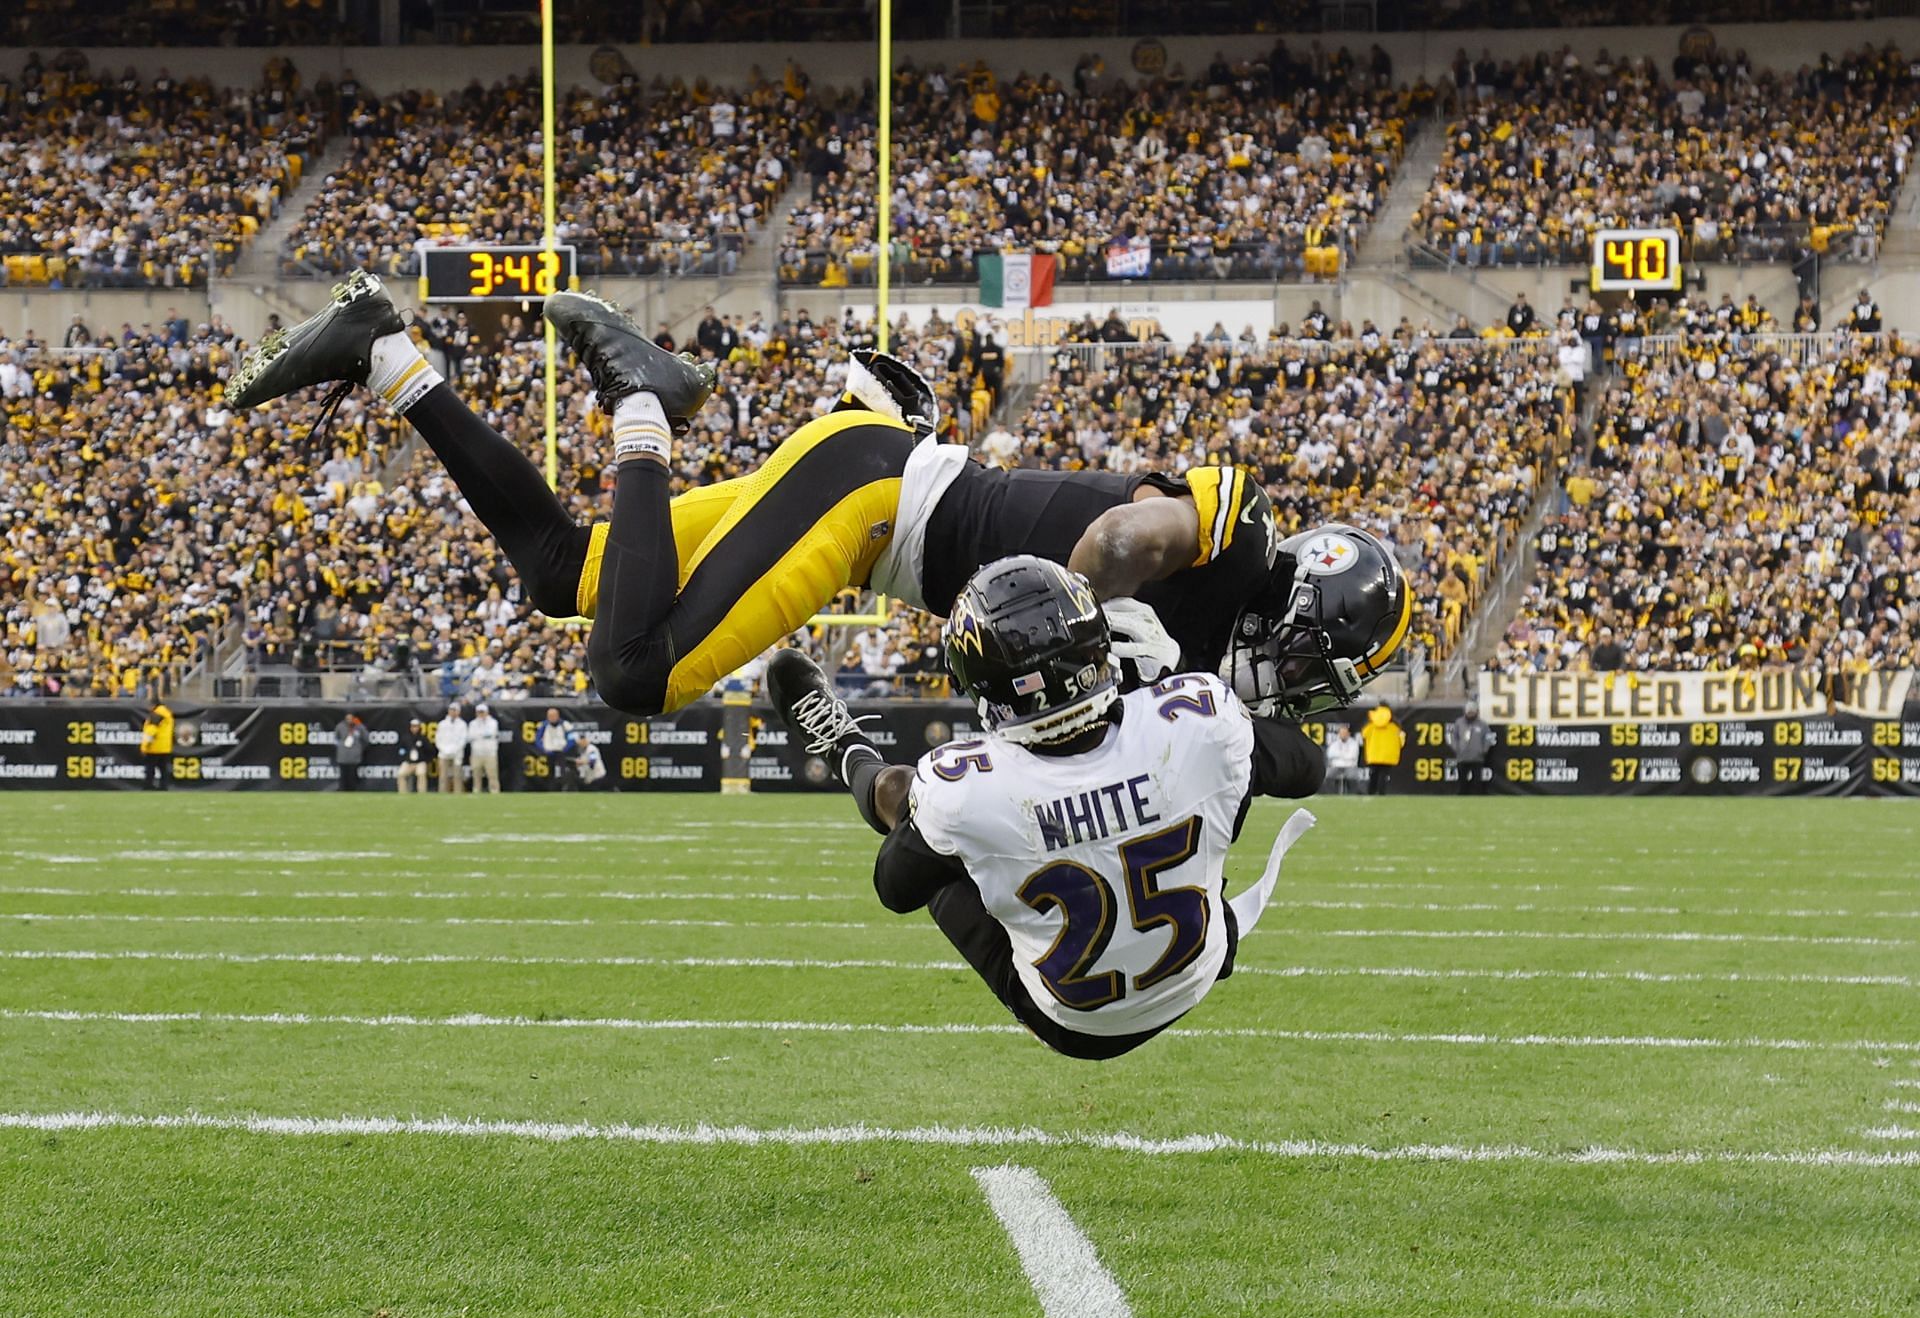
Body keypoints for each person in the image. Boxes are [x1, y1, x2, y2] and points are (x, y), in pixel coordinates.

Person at [225, 275, 1410, 723]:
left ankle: (384, 355)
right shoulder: (1235, 534)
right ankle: (640, 394)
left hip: (872, 509)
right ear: (1300, 605)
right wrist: (1080, 634)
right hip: (878, 498)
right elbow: (1116, 536)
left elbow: (1280, 767)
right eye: (1319, 667)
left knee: (563, 574)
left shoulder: (1222, 680)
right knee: (636, 670)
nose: (1307, 691)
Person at [764, 556, 1324, 1060]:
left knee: (927, 829)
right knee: (1216, 782)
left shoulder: (965, 790)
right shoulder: (1199, 722)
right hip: (1200, 962)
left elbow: (894, 887)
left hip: (1075, 1026)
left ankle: (845, 749)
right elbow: (1306, 766)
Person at [1446, 702, 1495, 795]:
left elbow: (1488, 738)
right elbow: (1453, 737)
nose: (1470, 714)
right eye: (1469, 712)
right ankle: (1462, 799)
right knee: (1462, 782)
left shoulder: (1482, 724)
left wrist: (1483, 750)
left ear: (1477, 712)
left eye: (1472, 712)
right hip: (1462, 758)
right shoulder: (1458, 723)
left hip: (1477, 758)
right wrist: (1457, 748)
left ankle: (1477, 799)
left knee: (1477, 782)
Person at [1361, 703, 1404, 795]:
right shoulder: (1395, 726)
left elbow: (1364, 734)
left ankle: (1371, 792)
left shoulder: (1371, 725)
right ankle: (1381, 793)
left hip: (1374, 754)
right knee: (1383, 775)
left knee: (1373, 775)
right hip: (1388, 755)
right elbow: (1402, 741)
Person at [138, 695, 174, 791]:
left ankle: (148, 786)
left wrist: (144, 747)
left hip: (154, 747)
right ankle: (164, 787)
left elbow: (151, 731)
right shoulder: (167, 713)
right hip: (165, 747)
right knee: (163, 769)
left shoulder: (157, 713)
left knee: (150, 769)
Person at [468, 703, 502, 793]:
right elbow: (471, 735)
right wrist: (482, 735)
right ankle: (476, 792)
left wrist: (479, 735)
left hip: (490, 753)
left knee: (492, 775)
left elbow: (491, 733)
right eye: (479, 712)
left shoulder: (493, 722)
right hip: (476, 753)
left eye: (482, 712)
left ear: (487, 712)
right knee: (476, 776)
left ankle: (494, 792)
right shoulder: (473, 723)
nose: (481, 714)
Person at [435, 702, 468, 793]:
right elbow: (438, 739)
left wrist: (454, 750)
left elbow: (463, 739)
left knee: (457, 776)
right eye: (451, 710)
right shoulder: (442, 724)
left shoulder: (462, 724)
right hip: (443, 753)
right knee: (443, 776)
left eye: (455, 710)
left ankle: (457, 794)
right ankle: (442, 793)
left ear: (458, 712)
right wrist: (444, 750)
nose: (453, 712)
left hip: (457, 753)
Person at [535, 707, 570, 790]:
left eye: (553, 715)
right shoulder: (543, 725)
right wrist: (543, 748)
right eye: (550, 716)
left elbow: (572, 738)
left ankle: (564, 789)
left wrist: (566, 748)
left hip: (561, 751)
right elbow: (537, 739)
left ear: (558, 716)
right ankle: (551, 789)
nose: (552, 718)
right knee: (550, 772)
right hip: (549, 752)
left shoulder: (565, 724)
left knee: (563, 771)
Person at [1323, 722, 1362, 794]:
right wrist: (1344, 755)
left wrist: (1339, 755)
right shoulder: (1334, 743)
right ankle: (1330, 794)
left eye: (1345, 733)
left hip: (1350, 766)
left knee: (1352, 777)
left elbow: (1352, 756)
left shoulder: (1354, 743)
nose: (1343, 735)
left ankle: (1352, 795)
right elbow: (1330, 754)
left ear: (1348, 734)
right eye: (1341, 733)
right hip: (1336, 766)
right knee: (1328, 775)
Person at [334, 712, 368, 792]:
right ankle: (342, 790)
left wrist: (359, 748)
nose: (349, 720)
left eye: (351, 718)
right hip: (342, 756)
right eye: (347, 718)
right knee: (343, 776)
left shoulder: (359, 727)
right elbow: (336, 739)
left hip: (354, 756)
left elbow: (366, 738)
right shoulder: (340, 726)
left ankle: (353, 791)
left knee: (353, 775)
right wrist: (341, 747)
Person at [397, 717, 431, 792]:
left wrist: (425, 760)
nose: (414, 728)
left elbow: (429, 750)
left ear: (419, 727)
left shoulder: (423, 738)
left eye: (416, 726)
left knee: (421, 774)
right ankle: (403, 793)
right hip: (408, 762)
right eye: (413, 726)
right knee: (401, 774)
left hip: (420, 762)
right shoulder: (405, 738)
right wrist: (404, 758)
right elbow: (401, 750)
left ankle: (422, 793)